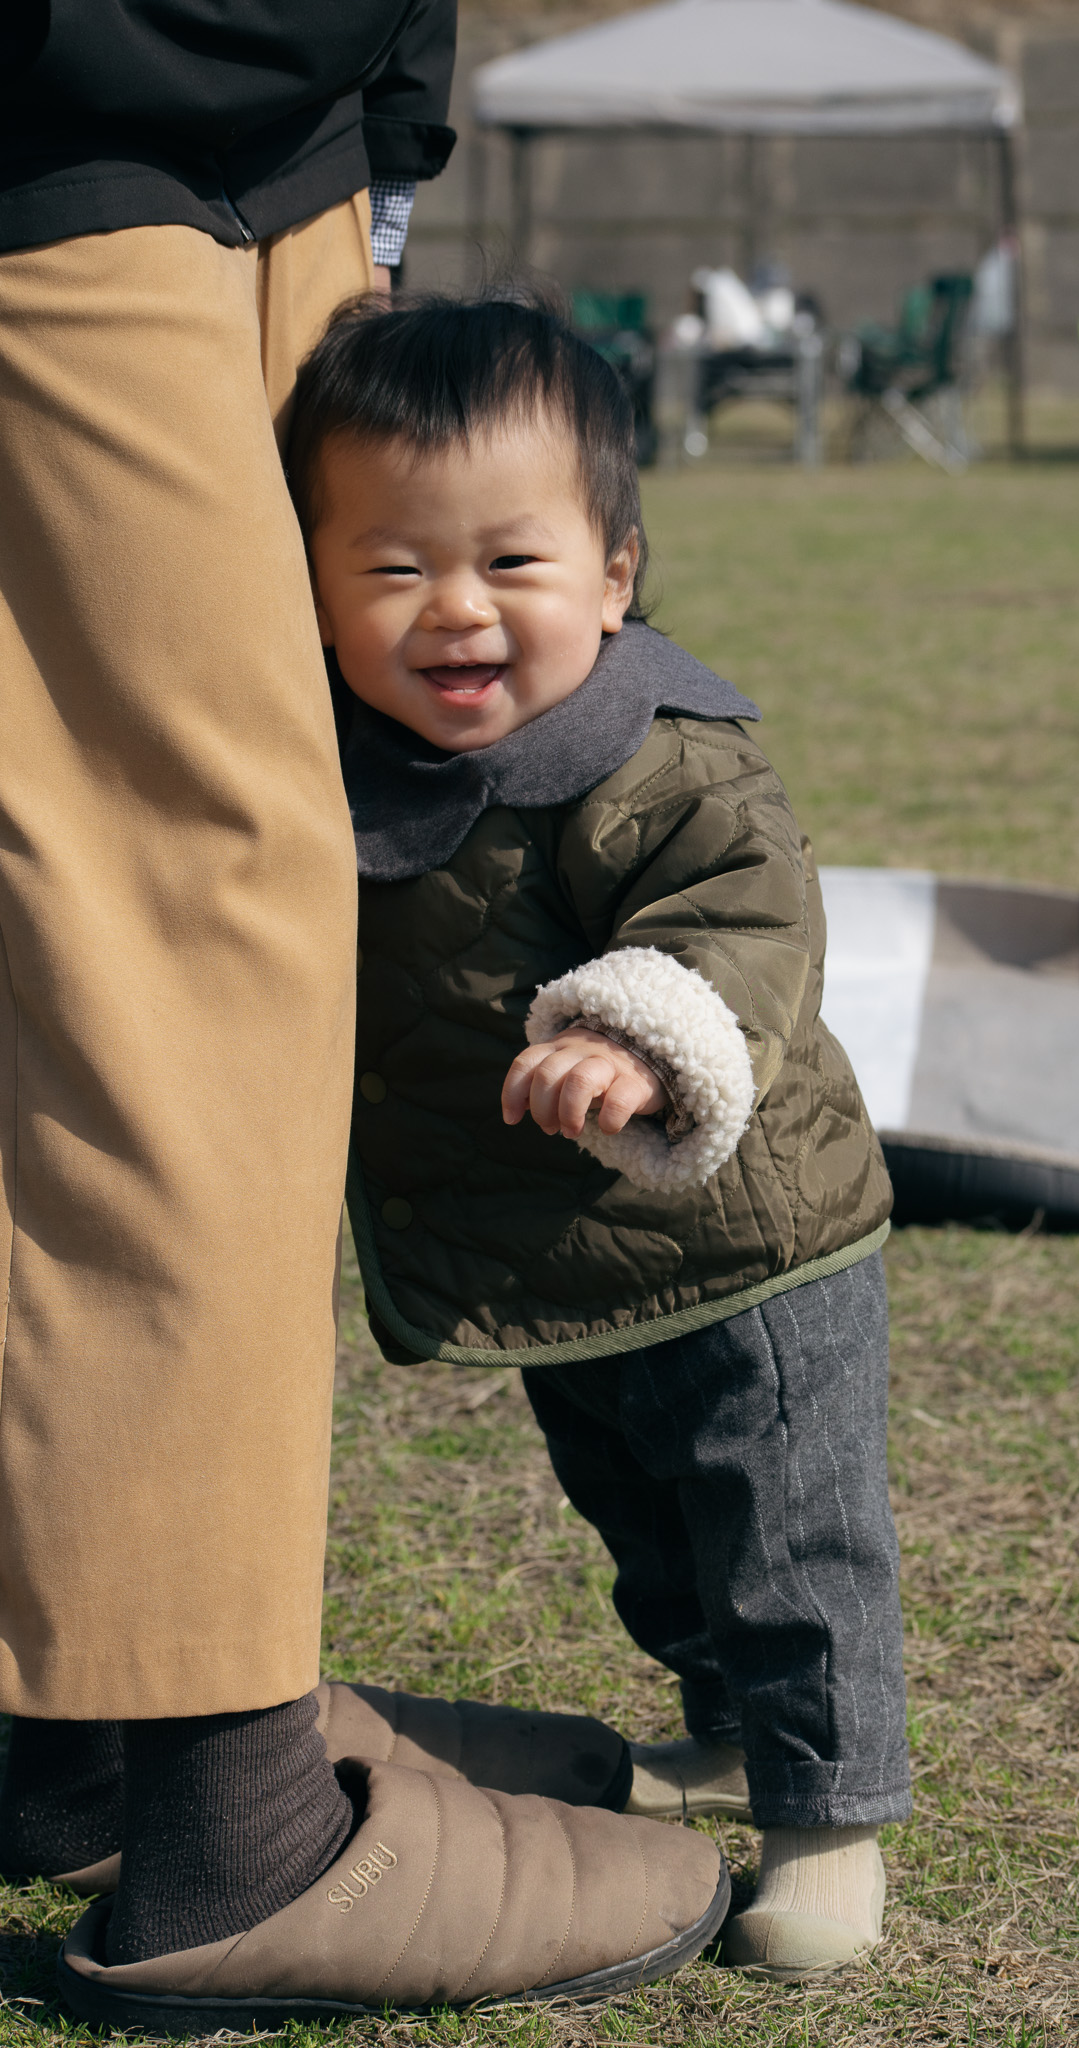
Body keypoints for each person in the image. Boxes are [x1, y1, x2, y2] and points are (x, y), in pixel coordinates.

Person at [1, 5, 726, 2026]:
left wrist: (378, 138)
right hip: (66, 143)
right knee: (176, 927)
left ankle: (83, 1723)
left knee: (140, 909)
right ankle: (226, 1813)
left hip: (259, 124)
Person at [288, 291, 914, 1980]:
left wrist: (635, 1030)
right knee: (643, 1520)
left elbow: (746, 925)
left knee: (784, 1526)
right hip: (559, 1252)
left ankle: (825, 1814)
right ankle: (721, 1724)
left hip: (747, 1233)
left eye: (512, 561)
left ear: (617, 573)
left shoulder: (661, 753)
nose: (454, 612)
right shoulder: (327, 769)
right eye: (393, 567)